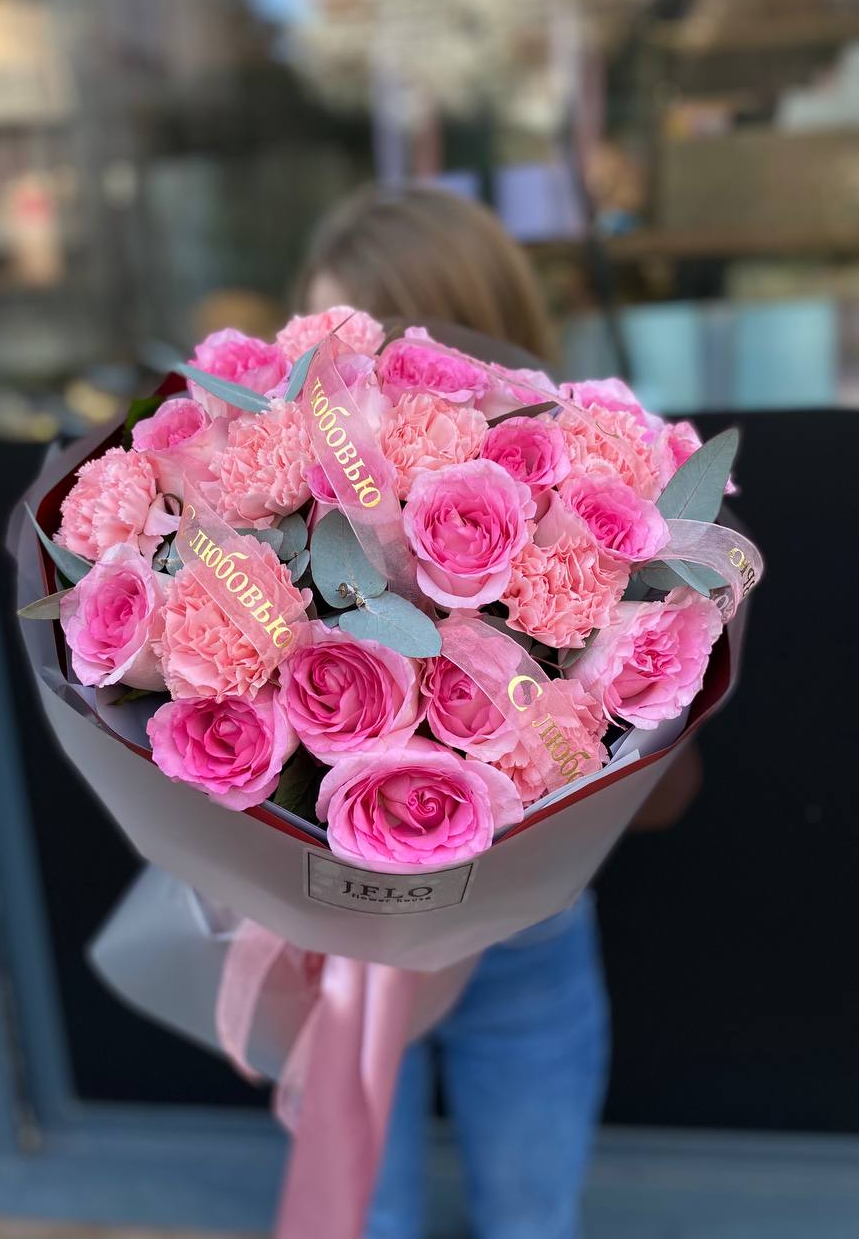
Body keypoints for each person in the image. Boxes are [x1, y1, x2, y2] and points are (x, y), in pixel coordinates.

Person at [295, 182, 699, 1239]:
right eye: (327, 355)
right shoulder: (280, 532)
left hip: (527, 945)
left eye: (377, 352)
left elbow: (669, 790)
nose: (347, 391)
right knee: (364, 1221)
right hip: (346, 947)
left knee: (531, 1217)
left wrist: (577, 717)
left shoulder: (589, 506)